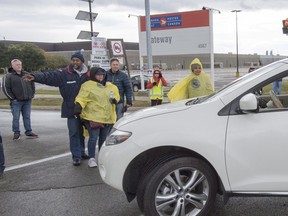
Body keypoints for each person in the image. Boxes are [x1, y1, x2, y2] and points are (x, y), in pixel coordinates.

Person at [23, 51, 90, 166]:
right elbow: (49, 76)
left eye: (77, 60)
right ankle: (76, 156)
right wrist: (35, 77)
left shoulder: (88, 74)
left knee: (82, 132)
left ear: (82, 61)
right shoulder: (64, 73)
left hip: (85, 109)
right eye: (73, 60)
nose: (74, 62)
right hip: (71, 108)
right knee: (73, 132)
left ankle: (82, 151)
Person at [74, 67, 120, 168]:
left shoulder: (110, 86)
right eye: (98, 75)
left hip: (107, 117)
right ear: (93, 75)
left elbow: (116, 96)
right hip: (93, 117)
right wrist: (78, 105)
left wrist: (115, 100)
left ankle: (102, 157)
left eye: (102, 75)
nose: (100, 77)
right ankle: (91, 158)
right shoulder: (88, 86)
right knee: (93, 137)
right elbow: (82, 97)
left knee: (103, 139)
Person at [2, 59, 38, 140]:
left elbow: (32, 84)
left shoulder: (26, 74)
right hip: (16, 101)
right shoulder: (8, 76)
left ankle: (28, 131)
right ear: (12, 66)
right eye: (17, 64)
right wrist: (12, 99)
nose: (19, 66)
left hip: (27, 100)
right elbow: (5, 88)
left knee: (27, 116)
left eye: (20, 64)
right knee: (16, 117)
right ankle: (16, 133)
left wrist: (32, 94)